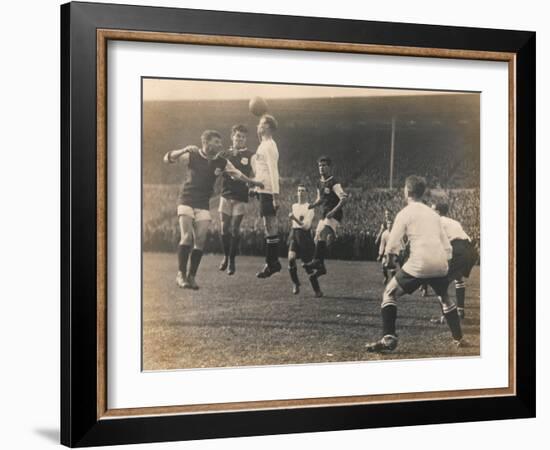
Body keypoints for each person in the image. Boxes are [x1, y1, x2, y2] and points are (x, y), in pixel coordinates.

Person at [366, 175, 464, 352]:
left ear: (407, 190)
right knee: (445, 297)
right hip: (441, 262)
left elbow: (394, 240)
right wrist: (445, 264)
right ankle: (458, 337)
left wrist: (389, 257)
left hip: (419, 263)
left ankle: (388, 337)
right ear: (422, 192)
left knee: (389, 293)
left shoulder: (405, 213)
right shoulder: (434, 215)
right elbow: (447, 246)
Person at [163, 130, 263, 290]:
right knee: (187, 236)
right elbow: (167, 158)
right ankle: (180, 274)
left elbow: (238, 174)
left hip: (203, 204)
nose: (220, 145)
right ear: (206, 142)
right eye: (216, 142)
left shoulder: (221, 162)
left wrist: (253, 182)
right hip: (187, 200)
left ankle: (192, 276)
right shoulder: (193, 155)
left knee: (200, 240)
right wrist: (184, 149)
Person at [431, 202, 479, 321]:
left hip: (457, 250)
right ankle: (460, 310)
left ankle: (446, 316)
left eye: (432, 209)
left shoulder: (436, 221)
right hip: (471, 251)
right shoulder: (454, 222)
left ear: (437, 211)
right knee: (458, 278)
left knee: (440, 284)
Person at [218, 124, 254, 275]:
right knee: (224, 228)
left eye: (243, 137)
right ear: (232, 136)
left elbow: (253, 173)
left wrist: (253, 185)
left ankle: (232, 260)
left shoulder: (250, 155)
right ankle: (226, 256)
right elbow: (218, 170)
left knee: (234, 228)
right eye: (237, 135)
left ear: (246, 139)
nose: (239, 139)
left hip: (240, 197)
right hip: (225, 194)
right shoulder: (224, 154)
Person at [304, 156, 348, 277]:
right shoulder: (319, 183)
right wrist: (312, 205)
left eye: (324, 165)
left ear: (329, 167)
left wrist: (333, 212)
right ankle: (321, 267)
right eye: (319, 166)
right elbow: (320, 199)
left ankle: (317, 261)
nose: (321, 168)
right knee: (317, 238)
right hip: (325, 214)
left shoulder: (334, 182)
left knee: (323, 233)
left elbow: (344, 199)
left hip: (334, 214)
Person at [251, 114, 282, 278]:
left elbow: (273, 170)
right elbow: (261, 171)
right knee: (267, 225)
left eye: (262, 124)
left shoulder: (269, 145)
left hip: (269, 191)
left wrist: (275, 196)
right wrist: (255, 188)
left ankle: (272, 263)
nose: (259, 126)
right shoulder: (262, 144)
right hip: (262, 190)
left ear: (268, 127)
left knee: (270, 225)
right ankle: (272, 262)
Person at [287, 184, 323, 297]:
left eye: (303, 190)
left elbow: (306, 226)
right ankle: (295, 283)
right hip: (294, 234)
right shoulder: (294, 206)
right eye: (298, 190)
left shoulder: (310, 207)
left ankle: (317, 290)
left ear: (307, 193)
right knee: (291, 258)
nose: (300, 192)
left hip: (305, 237)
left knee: (307, 266)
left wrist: (294, 218)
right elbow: (295, 225)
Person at [377, 218, 395, 285]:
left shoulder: (395, 233)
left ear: (393, 224)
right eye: (388, 223)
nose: (389, 225)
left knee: (392, 268)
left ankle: (393, 282)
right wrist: (380, 254)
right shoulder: (384, 234)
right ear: (386, 225)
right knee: (383, 266)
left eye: (391, 223)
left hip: (394, 252)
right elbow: (382, 244)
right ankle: (386, 277)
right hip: (386, 252)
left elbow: (399, 242)